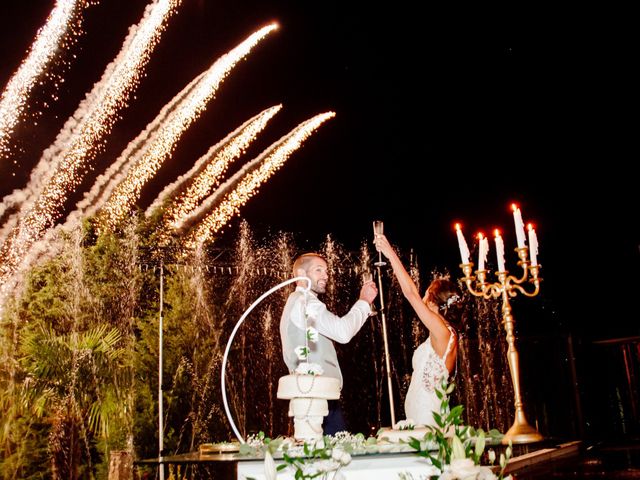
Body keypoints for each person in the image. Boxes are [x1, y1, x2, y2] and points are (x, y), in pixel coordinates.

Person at [280, 252, 378, 435]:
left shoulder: (299, 302)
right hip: (315, 397)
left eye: (326, 271)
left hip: (314, 395)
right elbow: (342, 332)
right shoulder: (305, 302)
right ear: (301, 273)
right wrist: (364, 301)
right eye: (318, 270)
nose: (325, 276)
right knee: (330, 455)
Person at [374, 233, 462, 427]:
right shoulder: (441, 331)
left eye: (426, 292)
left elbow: (410, 293)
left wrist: (390, 253)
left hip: (427, 415)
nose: (422, 295)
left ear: (433, 299)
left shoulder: (444, 332)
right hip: (421, 413)